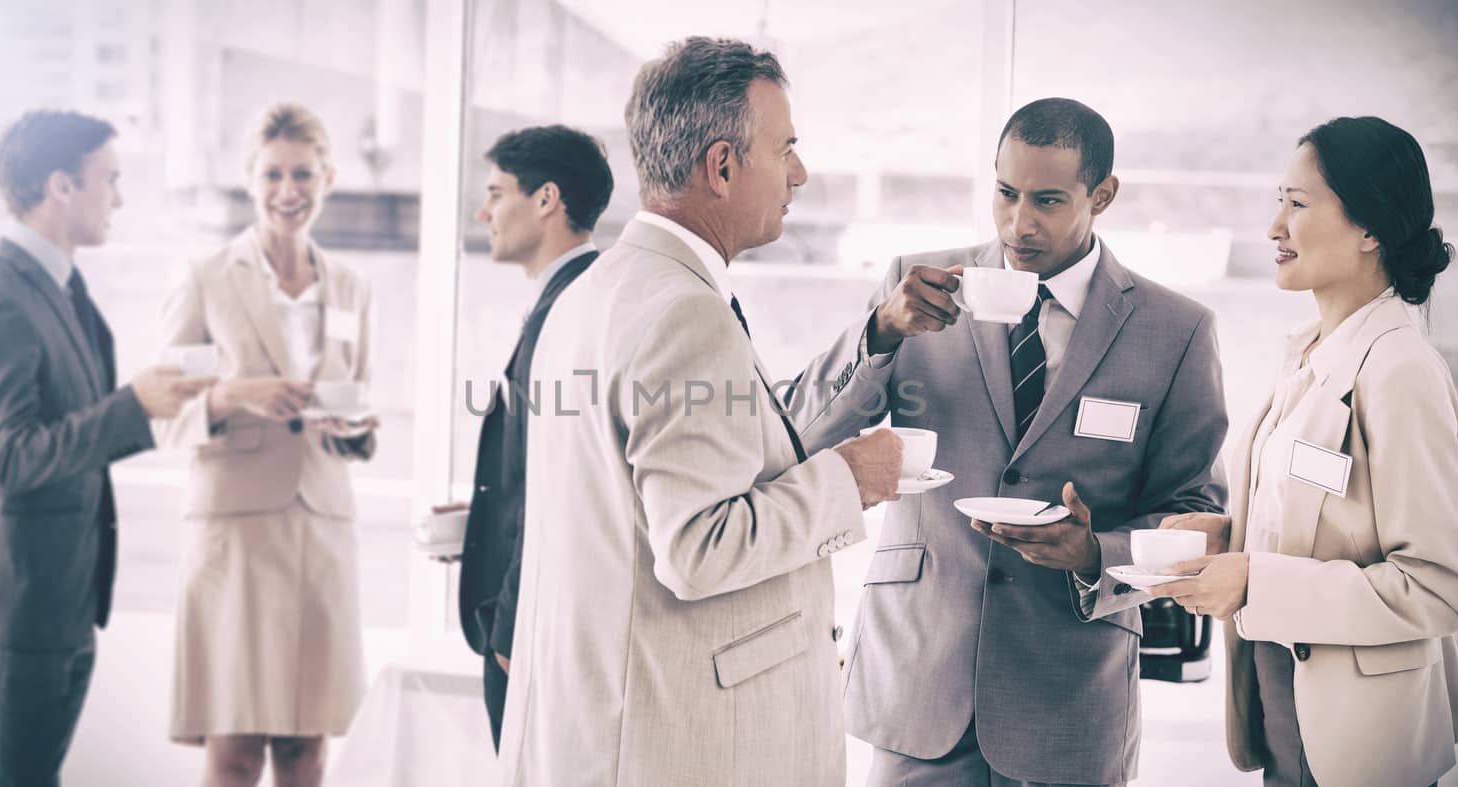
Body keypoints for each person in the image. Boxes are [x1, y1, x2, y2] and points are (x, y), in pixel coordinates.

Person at [497, 37, 904, 785]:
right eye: (785, 150)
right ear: (721, 166)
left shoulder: (590, 291)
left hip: (598, 728)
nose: (800, 173)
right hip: (677, 741)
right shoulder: (686, 314)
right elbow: (699, 547)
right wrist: (848, 481)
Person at [787, 97, 1229, 786]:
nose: (1019, 224)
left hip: (1069, 701)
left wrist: (1096, 553)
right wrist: (880, 331)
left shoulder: (1175, 331)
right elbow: (804, 431)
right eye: (1005, 193)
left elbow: (1195, 514)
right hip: (919, 688)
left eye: (1048, 201)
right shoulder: (916, 285)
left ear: (1102, 195)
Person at [1149, 116, 1458, 786]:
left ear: (1371, 229)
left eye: (1297, 204)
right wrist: (1227, 539)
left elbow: (1439, 588)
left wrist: (1255, 580)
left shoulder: (1400, 371)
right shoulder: (1309, 352)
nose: (1274, 226)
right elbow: (1318, 522)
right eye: (1279, 199)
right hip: (1287, 722)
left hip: (1359, 744)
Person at [0, 110, 210, 786]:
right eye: (109, 179)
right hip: (12, 612)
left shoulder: (62, 290)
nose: (118, 198)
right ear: (61, 185)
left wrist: (154, 407)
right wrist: (132, 405)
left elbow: (69, 431)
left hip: (57, 606)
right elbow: (6, 458)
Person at [154, 102, 379, 787]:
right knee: (237, 747)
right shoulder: (207, 277)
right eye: (274, 173)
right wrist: (236, 393)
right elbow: (167, 412)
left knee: (308, 747)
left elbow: (358, 392)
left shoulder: (351, 287)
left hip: (322, 527)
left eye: (304, 173)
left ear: (329, 177)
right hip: (238, 537)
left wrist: (360, 430)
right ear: (250, 178)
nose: (290, 190)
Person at [441, 125, 614, 750]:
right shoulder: (568, 298)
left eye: (495, 193)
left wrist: (512, 633)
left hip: (532, 628)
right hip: (532, 617)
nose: (484, 212)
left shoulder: (570, 309)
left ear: (546, 200)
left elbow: (569, 489)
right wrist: (483, 516)